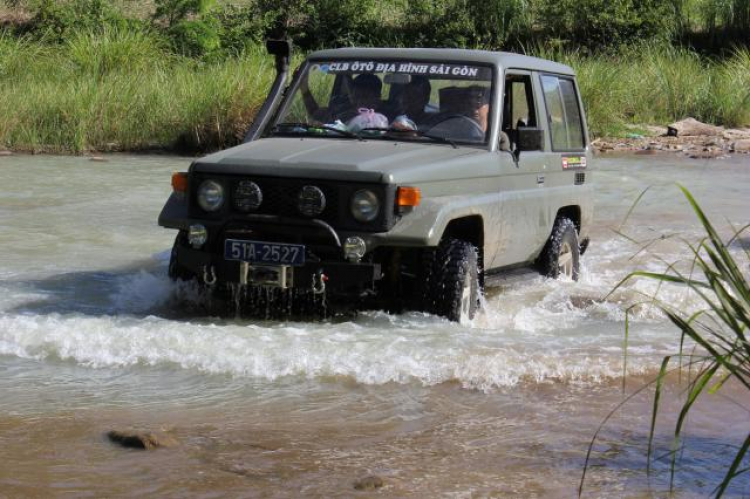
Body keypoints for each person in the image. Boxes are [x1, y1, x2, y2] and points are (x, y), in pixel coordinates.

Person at [299, 72, 384, 125]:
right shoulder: (339, 113)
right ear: (352, 95)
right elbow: (314, 113)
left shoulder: (383, 118)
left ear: (377, 98)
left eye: (365, 96)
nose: (359, 100)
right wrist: (304, 88)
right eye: (357, 94)